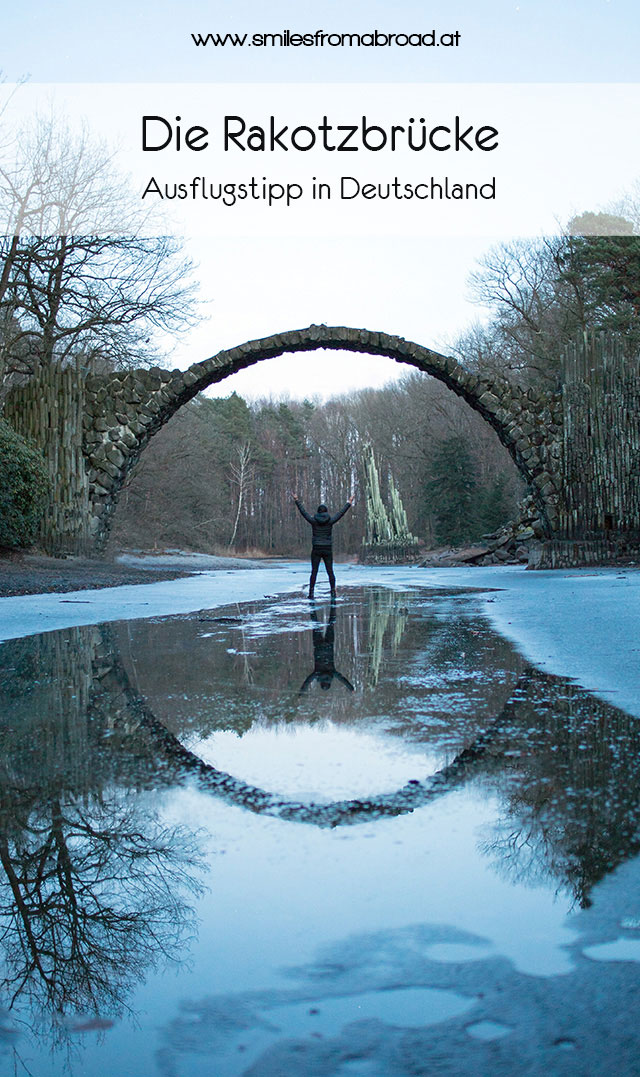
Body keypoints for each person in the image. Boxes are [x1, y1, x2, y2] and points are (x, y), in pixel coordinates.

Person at [292, 492, 355, 598]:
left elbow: (304, 513)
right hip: (327, 548)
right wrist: (349, 502)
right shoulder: (330, 521)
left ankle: (311, 592)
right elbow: (341, 513)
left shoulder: (314, 521)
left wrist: (297, 500)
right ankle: (333, 591)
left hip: (316, 548)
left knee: (314, 571)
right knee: (330, 571)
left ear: (318, 512)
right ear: (326, 512)